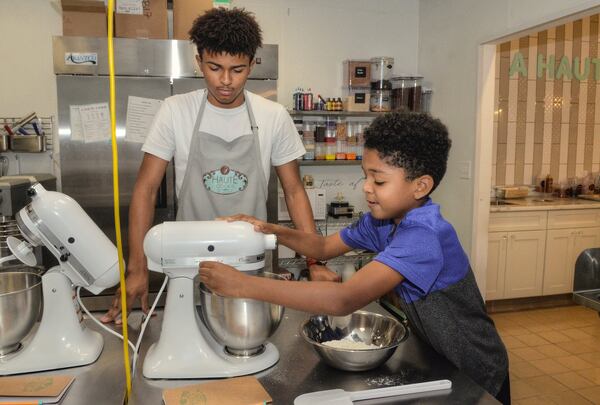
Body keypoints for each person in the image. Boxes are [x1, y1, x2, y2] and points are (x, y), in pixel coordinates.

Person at [199, 112, 511, 404]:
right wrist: (270, 229)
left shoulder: (425, 236)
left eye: (379, 180)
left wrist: (243, 286)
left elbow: (343, 299)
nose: (366, 188)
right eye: (365, 176)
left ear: (421, 186)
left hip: (475, 370)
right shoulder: (383, 221)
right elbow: (322, 247)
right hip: (438, 358)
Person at [101, 8, 338, 324]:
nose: (226, 81)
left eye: (237, 69)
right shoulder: (175, 111)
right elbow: (145, 190)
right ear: (198, 61)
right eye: (215, 68)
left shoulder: (273, 116)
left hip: (252, 263)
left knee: (247, 340)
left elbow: (294, 191)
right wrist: (137, 267)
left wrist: (315, 261)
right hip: (189, 264)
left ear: (253, 64)